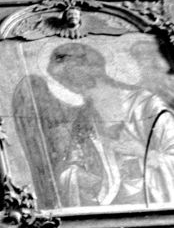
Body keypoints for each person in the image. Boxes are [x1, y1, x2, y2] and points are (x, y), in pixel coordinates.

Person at [11, 42, 174, 209]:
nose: (70, 86)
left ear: (94, 69)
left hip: (151, 204)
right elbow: (73, 163)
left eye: (70, 78)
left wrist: (141, 152)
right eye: (63, 81)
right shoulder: (84, 116)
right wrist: (78, 177)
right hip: (107, 205)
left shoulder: (145, 104)